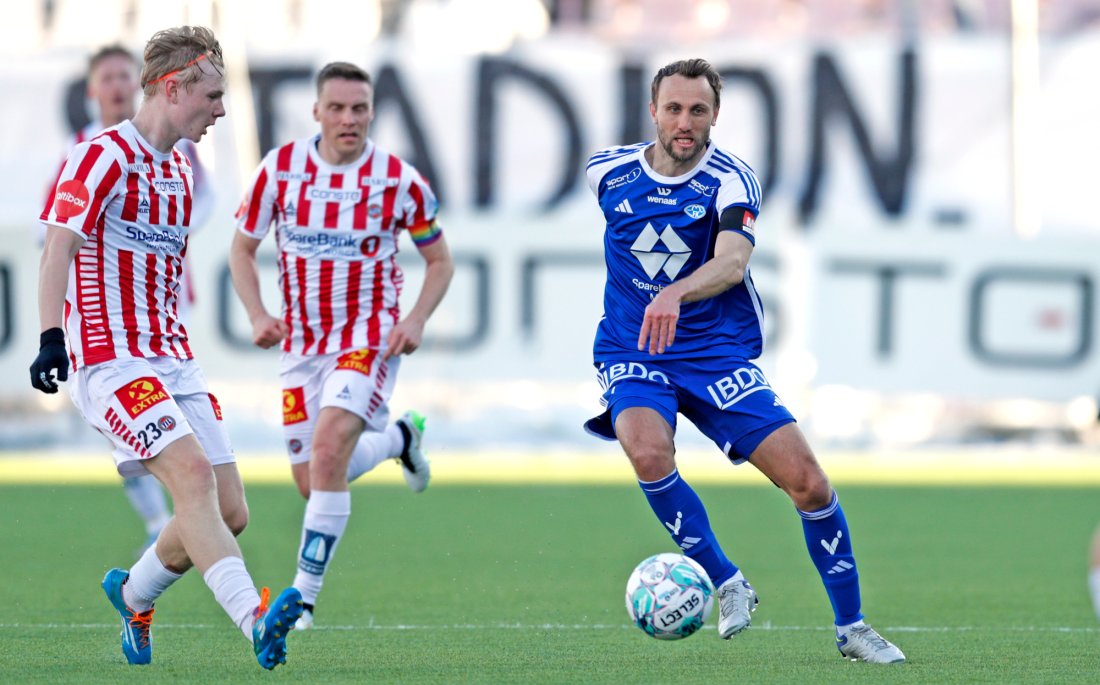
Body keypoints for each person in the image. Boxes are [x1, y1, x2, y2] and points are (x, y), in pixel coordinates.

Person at [583, 58, 906, 663]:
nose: (684, 122)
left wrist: (675, 292)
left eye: (697, 110)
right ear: (653, 110)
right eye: (673, 108)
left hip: (713, 351)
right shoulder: (606, 171)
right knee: (647, 448)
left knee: (809, 484)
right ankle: (726, 580)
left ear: (714, 116)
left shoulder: (732, 181)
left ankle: (852, 626)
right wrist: (650, 305)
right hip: (635, 347)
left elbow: (734, 262)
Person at [30, 26, 302, 670]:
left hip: (171, 358)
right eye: (212, 95)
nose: (222, 110)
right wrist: (49, 338)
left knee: (229, 510)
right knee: (192, 477)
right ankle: (254, 619)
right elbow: (58, 248)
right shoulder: (101, 157)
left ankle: (134, 593)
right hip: (110, 359)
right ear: (172, 87)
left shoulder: (181, 171)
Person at [229, 61, 454, 631]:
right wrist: (257, 312)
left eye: (359, 108)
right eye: (337, 108)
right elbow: (240, 249)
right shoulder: (279, 171)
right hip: (303, 345)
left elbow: (439, 260)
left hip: (368, 337)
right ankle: (401, 436)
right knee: (312, 479)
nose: (349, 119)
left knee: (328, 450)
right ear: (316, 112)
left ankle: (302, 600)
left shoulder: (399, 181)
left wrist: (416, 320)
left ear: (372, 111)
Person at [43, 44, 217, 555]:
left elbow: (200, 205)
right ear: (93, 89)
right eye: (107, 78)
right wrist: (52, 329)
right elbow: (54, 237)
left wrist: (164, 243)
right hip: (106, 324)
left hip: (163, 311)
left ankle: (170, 532)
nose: (117, 85)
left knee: (199, 470)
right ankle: (157, 523)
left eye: (124, 75)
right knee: (147, 442)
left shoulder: (180, 152)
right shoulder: (84, 151)